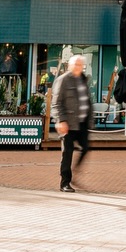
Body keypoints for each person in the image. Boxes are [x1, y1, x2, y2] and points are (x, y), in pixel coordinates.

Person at [52, 54, 93, 192]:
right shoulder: (63, 80)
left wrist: (90, 121)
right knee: (67, 153)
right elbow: (56, 103)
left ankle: (74, 172)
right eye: (75, 64)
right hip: (68, 123)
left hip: (82, 123)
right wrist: (61, 120)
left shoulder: (83, 80)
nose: (78, 67)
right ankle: (65, 182)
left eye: (80, 65)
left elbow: (87, 101)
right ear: (70, 66)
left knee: (85, 148)